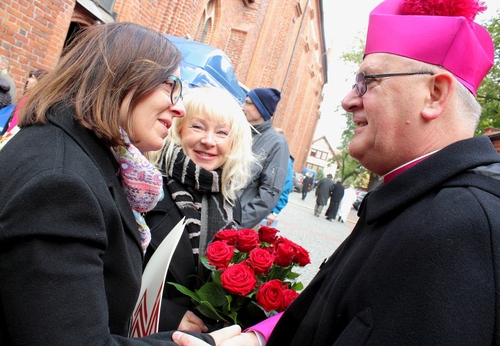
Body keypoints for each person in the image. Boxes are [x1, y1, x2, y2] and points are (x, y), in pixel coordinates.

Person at [173, 0, 500, 344]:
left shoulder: (461, 226)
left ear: (435, 95)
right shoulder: (423, 203)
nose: (348, 100)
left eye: (367, 82)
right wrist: (258, 338)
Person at [0, 22, 219, 344]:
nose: (178, 107)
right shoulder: (62, 185)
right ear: (121, 77)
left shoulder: (61, 147)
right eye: (168, 84)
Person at [143, 86, 256, 333]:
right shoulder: (148, 185)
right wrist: (165, 316)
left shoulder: (229, 200)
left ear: (234, 143)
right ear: (178, 130)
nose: (208, 140)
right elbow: (116, 273)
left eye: (222, 132)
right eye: (197, 126)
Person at [239, 88, 290, 229]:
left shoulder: (277, 144)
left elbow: (269, 193)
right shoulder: (238, 132)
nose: (243, 107)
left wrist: (237, 224)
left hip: (237, 224)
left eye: (248, 103)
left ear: (261, 108)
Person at [6, 69, 48, 134]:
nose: (28, 80)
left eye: (32, 78)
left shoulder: (37, 105)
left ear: (40, 82)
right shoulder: (25, 98)